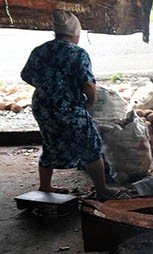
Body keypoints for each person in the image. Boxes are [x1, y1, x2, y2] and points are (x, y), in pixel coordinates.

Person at [21, 10, 124, 200]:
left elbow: (26, 75)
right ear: (75, 34)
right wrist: (90, 102)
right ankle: (102, 190)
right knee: (91, 145)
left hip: (42, 106)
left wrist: (48, 87)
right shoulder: (77, 53)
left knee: (50, 143)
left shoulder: (40, 50)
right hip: (69, 108)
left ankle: (45, 186)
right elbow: (88, 85)